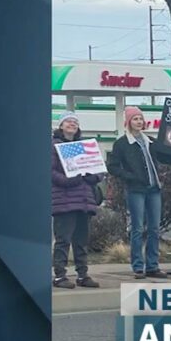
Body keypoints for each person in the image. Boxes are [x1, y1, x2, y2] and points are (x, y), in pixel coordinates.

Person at [107, 106, 171, 280]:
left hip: (154, 189)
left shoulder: (150, 141)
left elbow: (166, 157)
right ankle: (138, 266)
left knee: (154, 229)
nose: (139, 122)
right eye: (135, 119)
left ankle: (152, 265)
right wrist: (130, 176)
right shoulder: (122, 143)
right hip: (136, 190)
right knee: (137, 228)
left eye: (140, 119)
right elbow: (112, 166)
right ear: (128, 122)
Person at [51, 112, 104, 289]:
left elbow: (98, 170)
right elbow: (50, 172)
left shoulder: (84, 146)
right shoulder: (53, 146)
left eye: (75, 122)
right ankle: (60, 276)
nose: (72, 124)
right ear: (61, 125)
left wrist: (92, 177)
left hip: (84, 200)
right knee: (63, 240)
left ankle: (83, 275)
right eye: (68, 121)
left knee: (81, 241)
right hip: (63, 200)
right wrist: (70, 179)